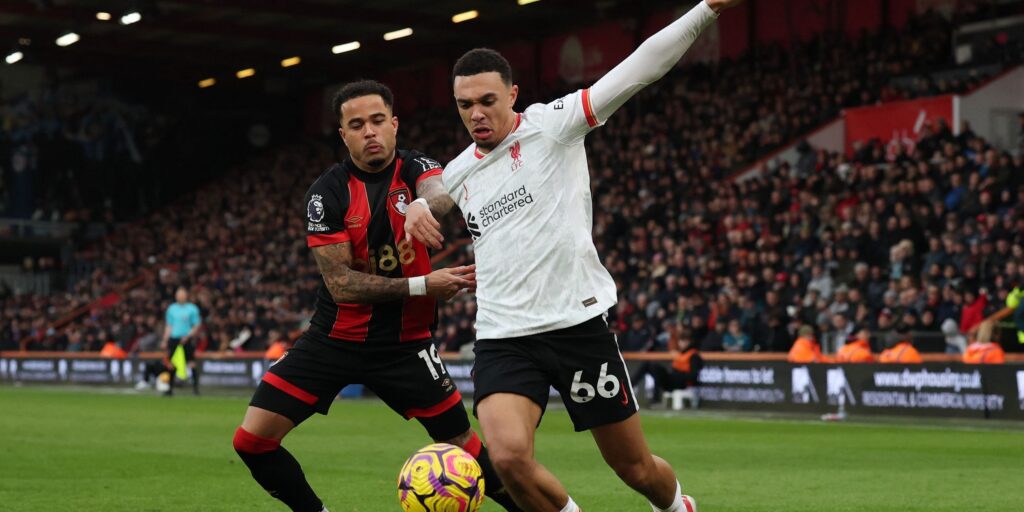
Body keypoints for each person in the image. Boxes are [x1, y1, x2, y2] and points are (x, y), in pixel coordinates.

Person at [405, 2, 743, 510]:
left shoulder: (552, 126)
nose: (476, 113)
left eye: (487, 100)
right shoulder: (459, 170)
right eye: (464, 104)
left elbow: (638, 68)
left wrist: (706, 9)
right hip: (503, 336)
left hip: (576, 325)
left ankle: (677, 507)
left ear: (513, 95)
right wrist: (413, 206)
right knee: (507, 457)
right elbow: (435, 197)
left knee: (634, 468)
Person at [232, 80, 520, 512]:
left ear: (395, 124)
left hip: (406, 347)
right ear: (343, 134)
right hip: (333, 340)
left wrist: (424, 207)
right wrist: (425, 285)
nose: (370, 132)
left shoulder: (416, 167)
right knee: (251, 441)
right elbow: (342, 285)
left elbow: (439, 192)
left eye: (378, 121)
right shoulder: (326, 194)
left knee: (469, 451)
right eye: (357, 124)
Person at [631, 328, 703, 404]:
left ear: (690, 341)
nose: (682, 343)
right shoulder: (680, 353)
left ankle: (656, 399)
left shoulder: (694, 355)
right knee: (649, 365)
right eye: (681, 340)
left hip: (683, 383)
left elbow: (694, 375)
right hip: (672, 380)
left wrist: (680, 376)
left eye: (685, 341)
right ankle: (630, 385)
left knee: (656, 369)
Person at [161, 287, 202, 396]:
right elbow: (169, 325)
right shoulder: (172, 309)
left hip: (187, 339)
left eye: (182, 294)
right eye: (179, 294)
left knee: (191, 363)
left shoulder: (192, 309)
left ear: (186, 296)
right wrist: (165, 339)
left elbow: (196, 325)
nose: (180, 296)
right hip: (174, 338)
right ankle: (169, 388)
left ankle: (195, 388)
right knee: (170, 363)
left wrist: (188, 336)